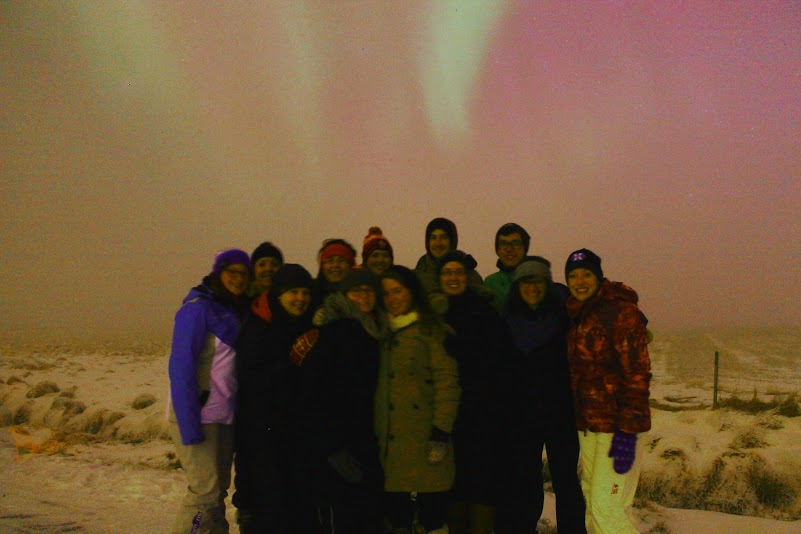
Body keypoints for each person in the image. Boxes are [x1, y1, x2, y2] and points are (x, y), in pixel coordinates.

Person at [291, 268, 389, 533]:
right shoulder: (332, 333)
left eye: (369, 289)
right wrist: (334, 449)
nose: (363, 295)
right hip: (342, 449)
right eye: (356, 290)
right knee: (348, 518)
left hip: (369, 443)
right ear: (345, 295)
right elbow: (313, 396)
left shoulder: (378, 331)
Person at [494, 259, 586, 534]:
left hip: (561, 415)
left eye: (538, 281)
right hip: (522, 418)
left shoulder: (565, 318)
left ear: (547, 284)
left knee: (566, 482)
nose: (532, 287)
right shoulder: (507, 322)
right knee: (526, 482)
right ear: (517, 286)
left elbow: (602, 308)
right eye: (526, 281)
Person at [564, 249, 651, 534]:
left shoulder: (621, 313)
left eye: (586, 274)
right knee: (593, 499)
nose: (579, 281)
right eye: (573, 276)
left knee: (606, 506)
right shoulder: (578, 315)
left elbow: (637, 375)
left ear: (599, 277)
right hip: (589, 427)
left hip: (617, 429)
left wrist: (627, 432)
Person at [167, 248, 252, 534]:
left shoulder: (235, 312)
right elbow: (181, 367)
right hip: (197, 415)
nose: (238, 279)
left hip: (223, 417)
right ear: (219, 273)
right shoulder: (197, 308)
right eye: (232, 272)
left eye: (243, 274)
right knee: (203, 494)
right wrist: (189, 424)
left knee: (217, 493)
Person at [376, 265, 461, 534]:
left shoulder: (431, 330)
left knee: (432, 517)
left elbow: (448, 383)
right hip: (390, 446)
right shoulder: (378, 331)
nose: (392, 298)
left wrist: (440, 431)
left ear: (411, 292)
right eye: (386, 293)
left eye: (397, 290)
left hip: (426, 441)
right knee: (396, 517)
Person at [232, 264, 315, 533]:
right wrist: (290, 362)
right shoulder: (258, 329)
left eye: (305, 292)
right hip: (267, 447)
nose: (300, 298)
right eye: (293, 292)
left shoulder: (308, 327)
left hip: (299, 444)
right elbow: (251, 382)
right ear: (278, 294)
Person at [435, 251, 505, 534]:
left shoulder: (484, 311)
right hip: (445, 414)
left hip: (481, 412)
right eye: (447, 273)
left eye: (458, 272)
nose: (453, 277)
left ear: (467, 277)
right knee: (452, 482)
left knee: (481, 482)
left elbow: (499, 361)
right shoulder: (432, 315)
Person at [414, 217, 483, 296]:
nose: (438, 243)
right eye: (433, 238)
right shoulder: (416, 277)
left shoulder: (470, 275)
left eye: (444, 237)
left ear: (452, 241)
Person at [484, 223, 532, 314]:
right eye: (503, 244)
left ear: (524, 248)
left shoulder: (535, 279)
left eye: (516, 243)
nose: (509, 249)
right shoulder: (490, 283)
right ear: (497, 250)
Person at [312, 238, 358, 308]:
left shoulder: (362, 297)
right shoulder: (310, 295)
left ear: (350, 265)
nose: (336, 265)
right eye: (330, 261)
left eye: (341, 260)